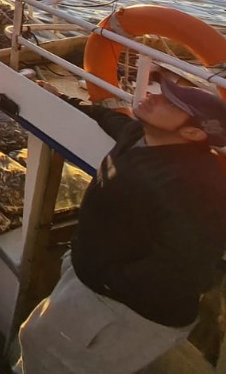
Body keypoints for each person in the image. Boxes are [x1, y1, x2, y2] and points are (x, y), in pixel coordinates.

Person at [15, 69, 226, 374]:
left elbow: (185, 272)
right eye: (163, 93)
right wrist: (63, 99)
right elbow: (109, 118)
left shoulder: (196, 187)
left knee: (58, 360)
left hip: (126, 309)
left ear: (194, 134)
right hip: (93, 273)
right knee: (33, 338)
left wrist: (106, 278)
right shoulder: (141, 136)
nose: (153, 96)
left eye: (172, 104)